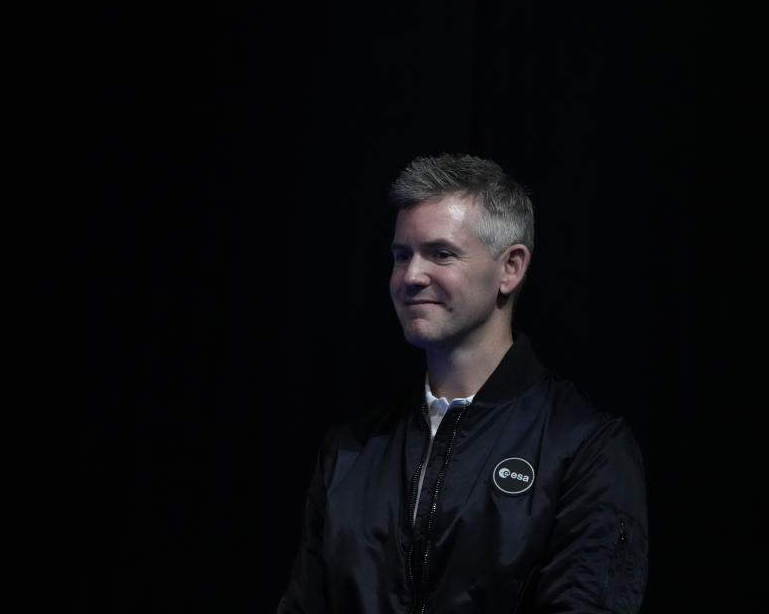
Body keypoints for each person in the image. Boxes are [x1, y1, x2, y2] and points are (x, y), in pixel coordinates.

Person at [277, 153, 649, 613]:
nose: (411, 276)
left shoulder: (585, 447)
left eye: (440, 253)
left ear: (510, 267)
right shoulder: (350, 451)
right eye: (401, 256)